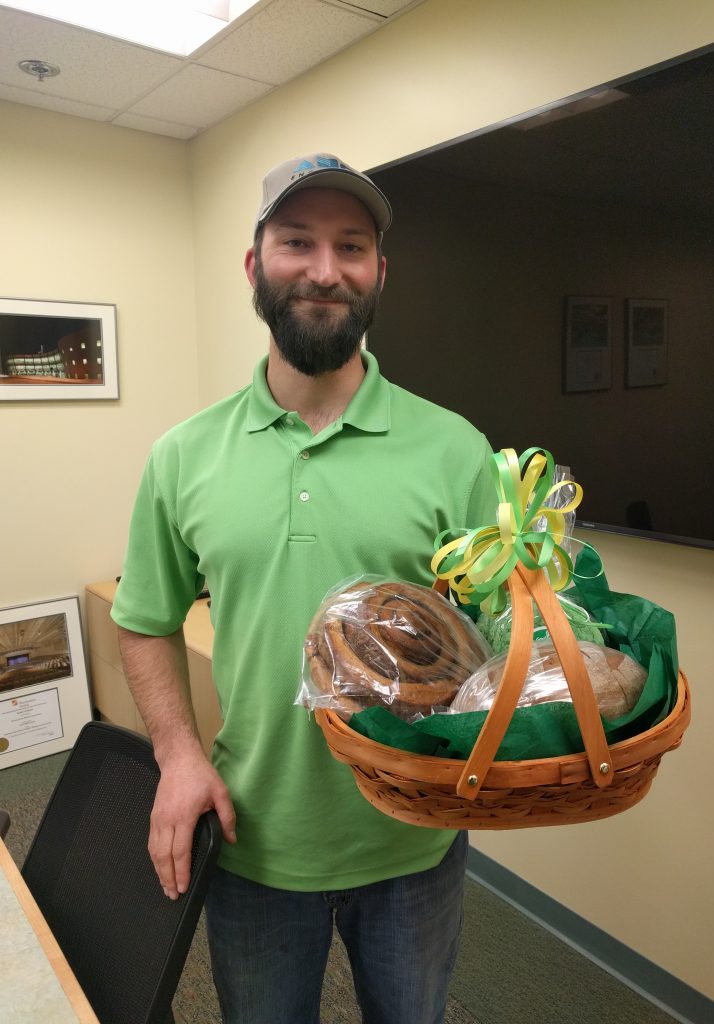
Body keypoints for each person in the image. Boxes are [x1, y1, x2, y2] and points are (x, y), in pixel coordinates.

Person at [111, 153, 498, 1024]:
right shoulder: (184, 455)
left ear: (379, 274)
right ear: (255, 266)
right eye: (297, 242)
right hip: (253, 840)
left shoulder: (456, 448)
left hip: (415, 839)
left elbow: (496, 639)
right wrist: (177, 753)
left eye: (351, 247)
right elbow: (143, 622)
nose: (325, 270)